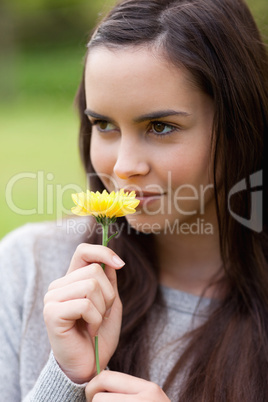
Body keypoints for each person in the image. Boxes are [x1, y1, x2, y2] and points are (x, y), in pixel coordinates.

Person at [0, 0, 267, 400]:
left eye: (160, 127)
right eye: (103, 125)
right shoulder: (29, 268)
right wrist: (65, 380)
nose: (123, 167)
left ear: (238, 125)